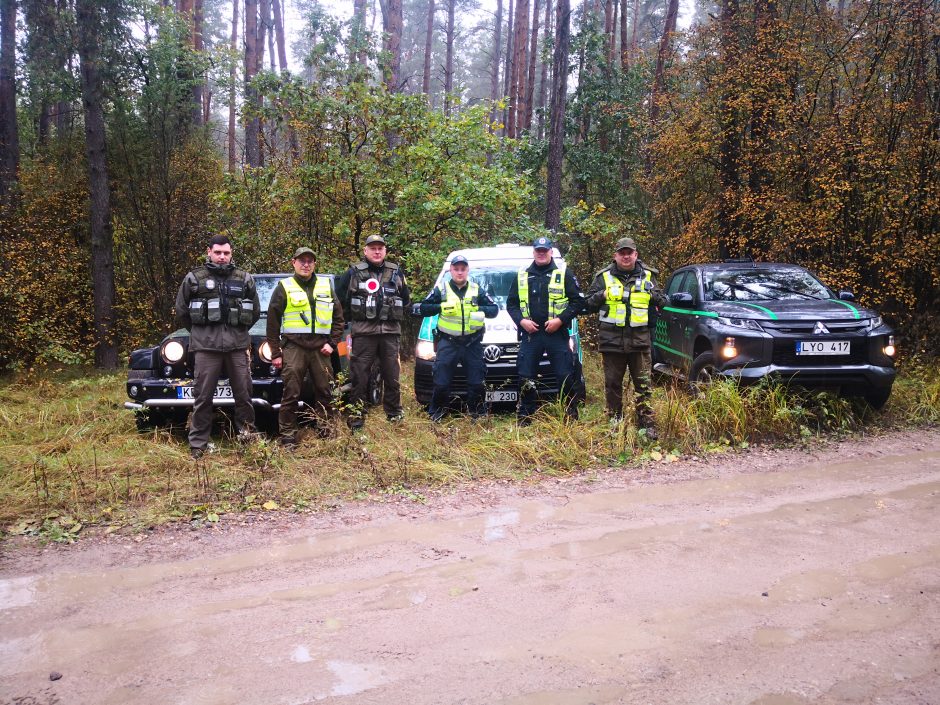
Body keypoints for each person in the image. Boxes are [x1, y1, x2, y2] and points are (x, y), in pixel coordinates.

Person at [175, 235, 261, 459]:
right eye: (218, 253)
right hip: (206, 348)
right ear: (209, 252)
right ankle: (198, 444)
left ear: (231, 253)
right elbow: (182, 311)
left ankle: (247, 437)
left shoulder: (244, 279)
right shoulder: (194, 278)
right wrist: (201, 333)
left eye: (226, 253)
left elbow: (254, 312)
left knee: (244, 394)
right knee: (203, 397)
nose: (222, 257)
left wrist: (238, 332)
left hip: (237, 347)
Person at [584, 236, 667, 438]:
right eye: (622, 253)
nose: (626, 256)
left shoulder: (649, 276)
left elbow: (663, 301)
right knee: (612, 385)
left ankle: (647, 426)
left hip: (640, 342)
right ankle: (615, 424)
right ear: (616, 256)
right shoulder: (603, 277)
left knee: (644, 385)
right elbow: (586, 304)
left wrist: (652, 293)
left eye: (629, 252)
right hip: (612, 343)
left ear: (636, 254)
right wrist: (602, 295)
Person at [265, 247, 345, 448]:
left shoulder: (326, 286)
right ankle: (288, 436)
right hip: (294, 347)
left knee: (325, 391)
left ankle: (326, 430)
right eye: (302, 261)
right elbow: (272, 322)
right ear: (294, 262)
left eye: (310, 261)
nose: (306, 264)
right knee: (291, 393)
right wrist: (276, 352)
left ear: (314, 264)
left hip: (321, 349)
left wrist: (332, 343)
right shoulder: (284, 286)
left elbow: (339, 319)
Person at [506, 235, 584, 424]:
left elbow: (578, 302)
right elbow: (511, 304)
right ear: (534, 252)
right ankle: (525, 416)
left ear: (550, 252)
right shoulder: (523, 274)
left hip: (555, 334)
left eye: (545, 251)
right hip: (531, 335)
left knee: (564, 374)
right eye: (538, 251)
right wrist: (522, 321)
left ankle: (569, 415)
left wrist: (560, 320)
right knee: (526, 376)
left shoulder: (563, 272)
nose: (541, 254)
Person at [335, 233, 410, 430]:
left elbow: (406, 299)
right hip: (363, 334)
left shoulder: (396, 272)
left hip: (390, 333)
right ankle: (357, 419)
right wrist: (353, 321)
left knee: (392, 376)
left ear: (385, 251)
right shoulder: (352, 273)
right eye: (373, 248)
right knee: (359, 377)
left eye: (380, 248)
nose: (377, 251)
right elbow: (340, 301)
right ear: (365, 251)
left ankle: (394, 416)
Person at [413, 255, 499, 422]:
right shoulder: (442, 289)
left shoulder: (477, 289)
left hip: (472, 343)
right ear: (451, 270)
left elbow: (494, 310)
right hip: (448, 342)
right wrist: (441, 307)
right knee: (441, 382)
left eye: (463, 269)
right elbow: (424, 308)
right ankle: (437, 413)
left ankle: (477, 414)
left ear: (467, 271)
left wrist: (478, 308)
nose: (460, 272)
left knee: (476, 382)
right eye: (456, 269)